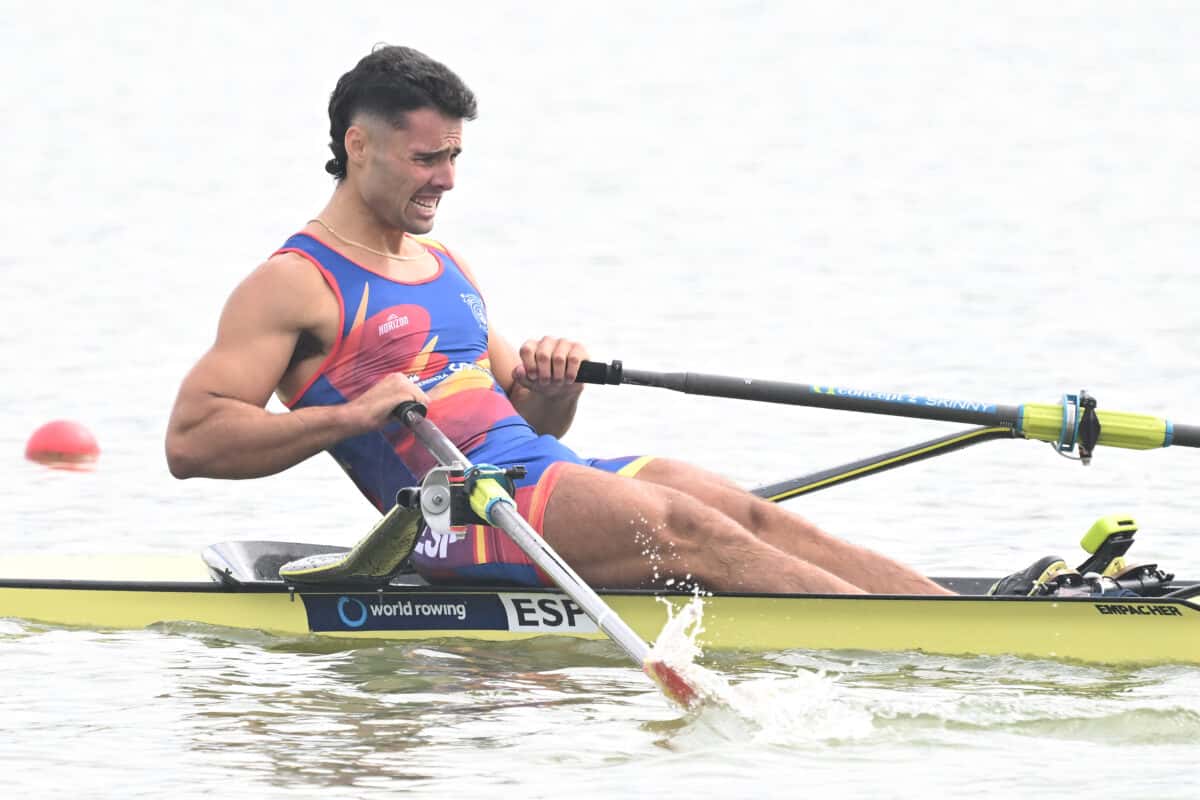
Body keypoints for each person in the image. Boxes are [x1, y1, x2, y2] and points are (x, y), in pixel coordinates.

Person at [165, 44, 952, 596]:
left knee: (741, 511)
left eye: (454, 158)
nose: (445, 179)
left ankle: (951, 621)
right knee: (687, 529)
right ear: (358, 143)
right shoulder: (293, 283)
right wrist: (348, 416)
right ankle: (900, 639)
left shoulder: (448, 268)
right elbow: (192, 441)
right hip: (461, 518)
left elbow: (532, 418)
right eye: (426, 159)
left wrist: (552, 383)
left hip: (531, 476)